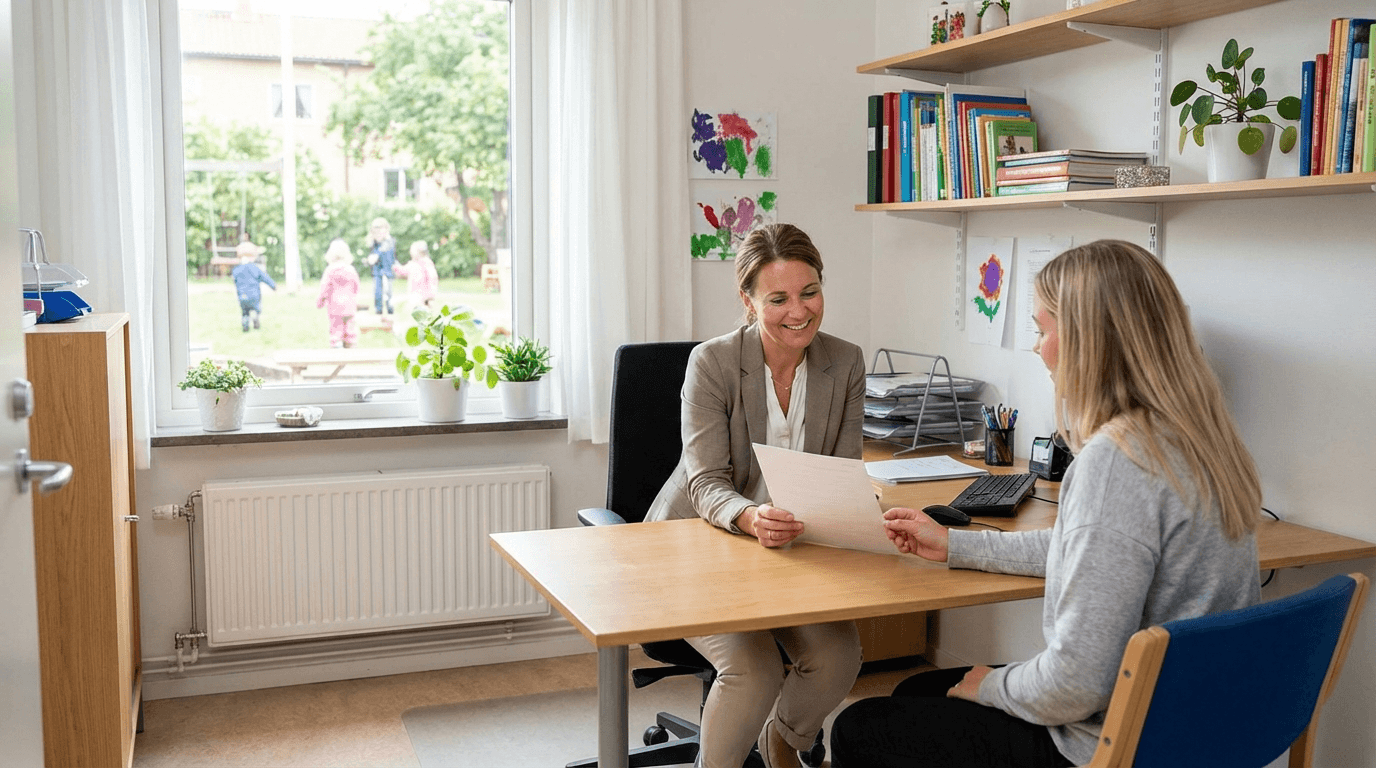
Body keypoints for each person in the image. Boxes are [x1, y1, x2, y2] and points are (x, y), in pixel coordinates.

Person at [829, 239, 1264, 768]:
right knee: (919, 694)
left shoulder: (1116, 463)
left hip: (1112, 745)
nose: (1037, 348)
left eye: (1042, 330)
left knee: (862, 725)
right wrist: (956, 545)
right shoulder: (1198, 440)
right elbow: (1091, 553)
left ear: (1088, 342)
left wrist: (991, 686)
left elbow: (1074, 686)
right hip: (1201, 729)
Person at [645, 223, 866, 768]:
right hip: (693, 547)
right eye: (778, 298)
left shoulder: (846, 363)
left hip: (786, 553)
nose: (799, 311)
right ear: (747, 301)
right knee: (755, 669)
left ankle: (783, 740)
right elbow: (705, 482)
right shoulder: (712, 363)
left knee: (839, 655)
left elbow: (839, 474)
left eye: (809, 292)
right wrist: (750, 517)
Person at [316, 238, 361, 349]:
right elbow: (356, 286)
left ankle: (337, 349)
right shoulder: (351, 269)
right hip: (350, 306)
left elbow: (324, 288)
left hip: (335, 307)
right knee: (350, 331)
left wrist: (320, 301)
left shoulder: (330, 270)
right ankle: (351, 348)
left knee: (336, 331)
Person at [230, 240, 276, 333]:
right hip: (254, 295)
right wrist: (273, 286)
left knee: (245, 312)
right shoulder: (255, 268)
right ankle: (255, 316)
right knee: (256, 308)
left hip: (242, 295)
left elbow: (234, 279)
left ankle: (245, 324)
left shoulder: (237, 269)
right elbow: (265, 278)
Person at [393, 240, 439, 309]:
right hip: (416, 293)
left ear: (420, 252)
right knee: (418, 308)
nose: (410, 252)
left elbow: (432, 278)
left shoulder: (426, 263)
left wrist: (431, 293)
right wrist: (394, 267)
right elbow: (402, 271)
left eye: (412, 250)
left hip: (424, 293)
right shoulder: (413, 264)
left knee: (424, 308)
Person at [365, 217, 397, 315]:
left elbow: (385, 250)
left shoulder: (390, 241)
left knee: (388, 292)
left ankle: (390, 310)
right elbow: (372, 255)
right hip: (377, 271)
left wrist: (376, 255)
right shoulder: (374, 243)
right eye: (375, 230)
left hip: (388, 271)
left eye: (380, 229)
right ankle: (378, 310)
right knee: (377, 292)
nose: (378, 232)